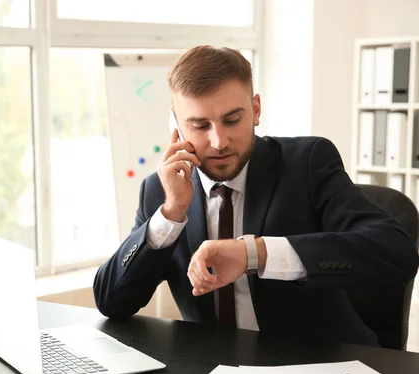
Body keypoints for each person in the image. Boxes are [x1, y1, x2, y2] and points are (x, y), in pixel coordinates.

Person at [93, 45, 419, 346]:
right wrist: (170, 213)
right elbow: (111, 301)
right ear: (176, 125)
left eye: (232, 120)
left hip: (323, 367)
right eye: (199, 125)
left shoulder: (307, 163)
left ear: (256, 109)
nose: (219, 141)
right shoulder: (160, 190)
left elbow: (396, 252)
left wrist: (254, 254)